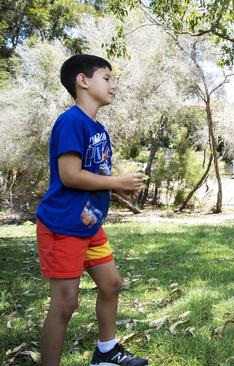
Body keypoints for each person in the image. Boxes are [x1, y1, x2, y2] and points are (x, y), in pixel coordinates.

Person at [36, 54, 148, 365]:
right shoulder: (71, 121)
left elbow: (94, 177)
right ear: (82, 81)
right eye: (107, 77)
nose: (114, 84)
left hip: (89, 226)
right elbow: (70, 175)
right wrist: (116, 180)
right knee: (64, 303)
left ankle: (106, 352)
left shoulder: (97, 128)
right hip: (62, 226)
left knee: (111, 283)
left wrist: (117, 186)